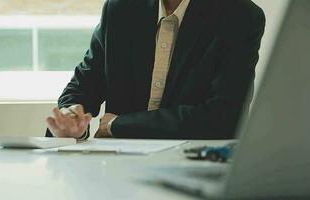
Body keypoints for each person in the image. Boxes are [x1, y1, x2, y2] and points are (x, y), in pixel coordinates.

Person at [46, 0, 265, 140]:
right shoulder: (121, 8)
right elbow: (84, 85)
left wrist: (118, 125)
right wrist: (71, 117)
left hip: (191, 164)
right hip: (117, 166)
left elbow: (224, 118)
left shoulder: (241, 16)